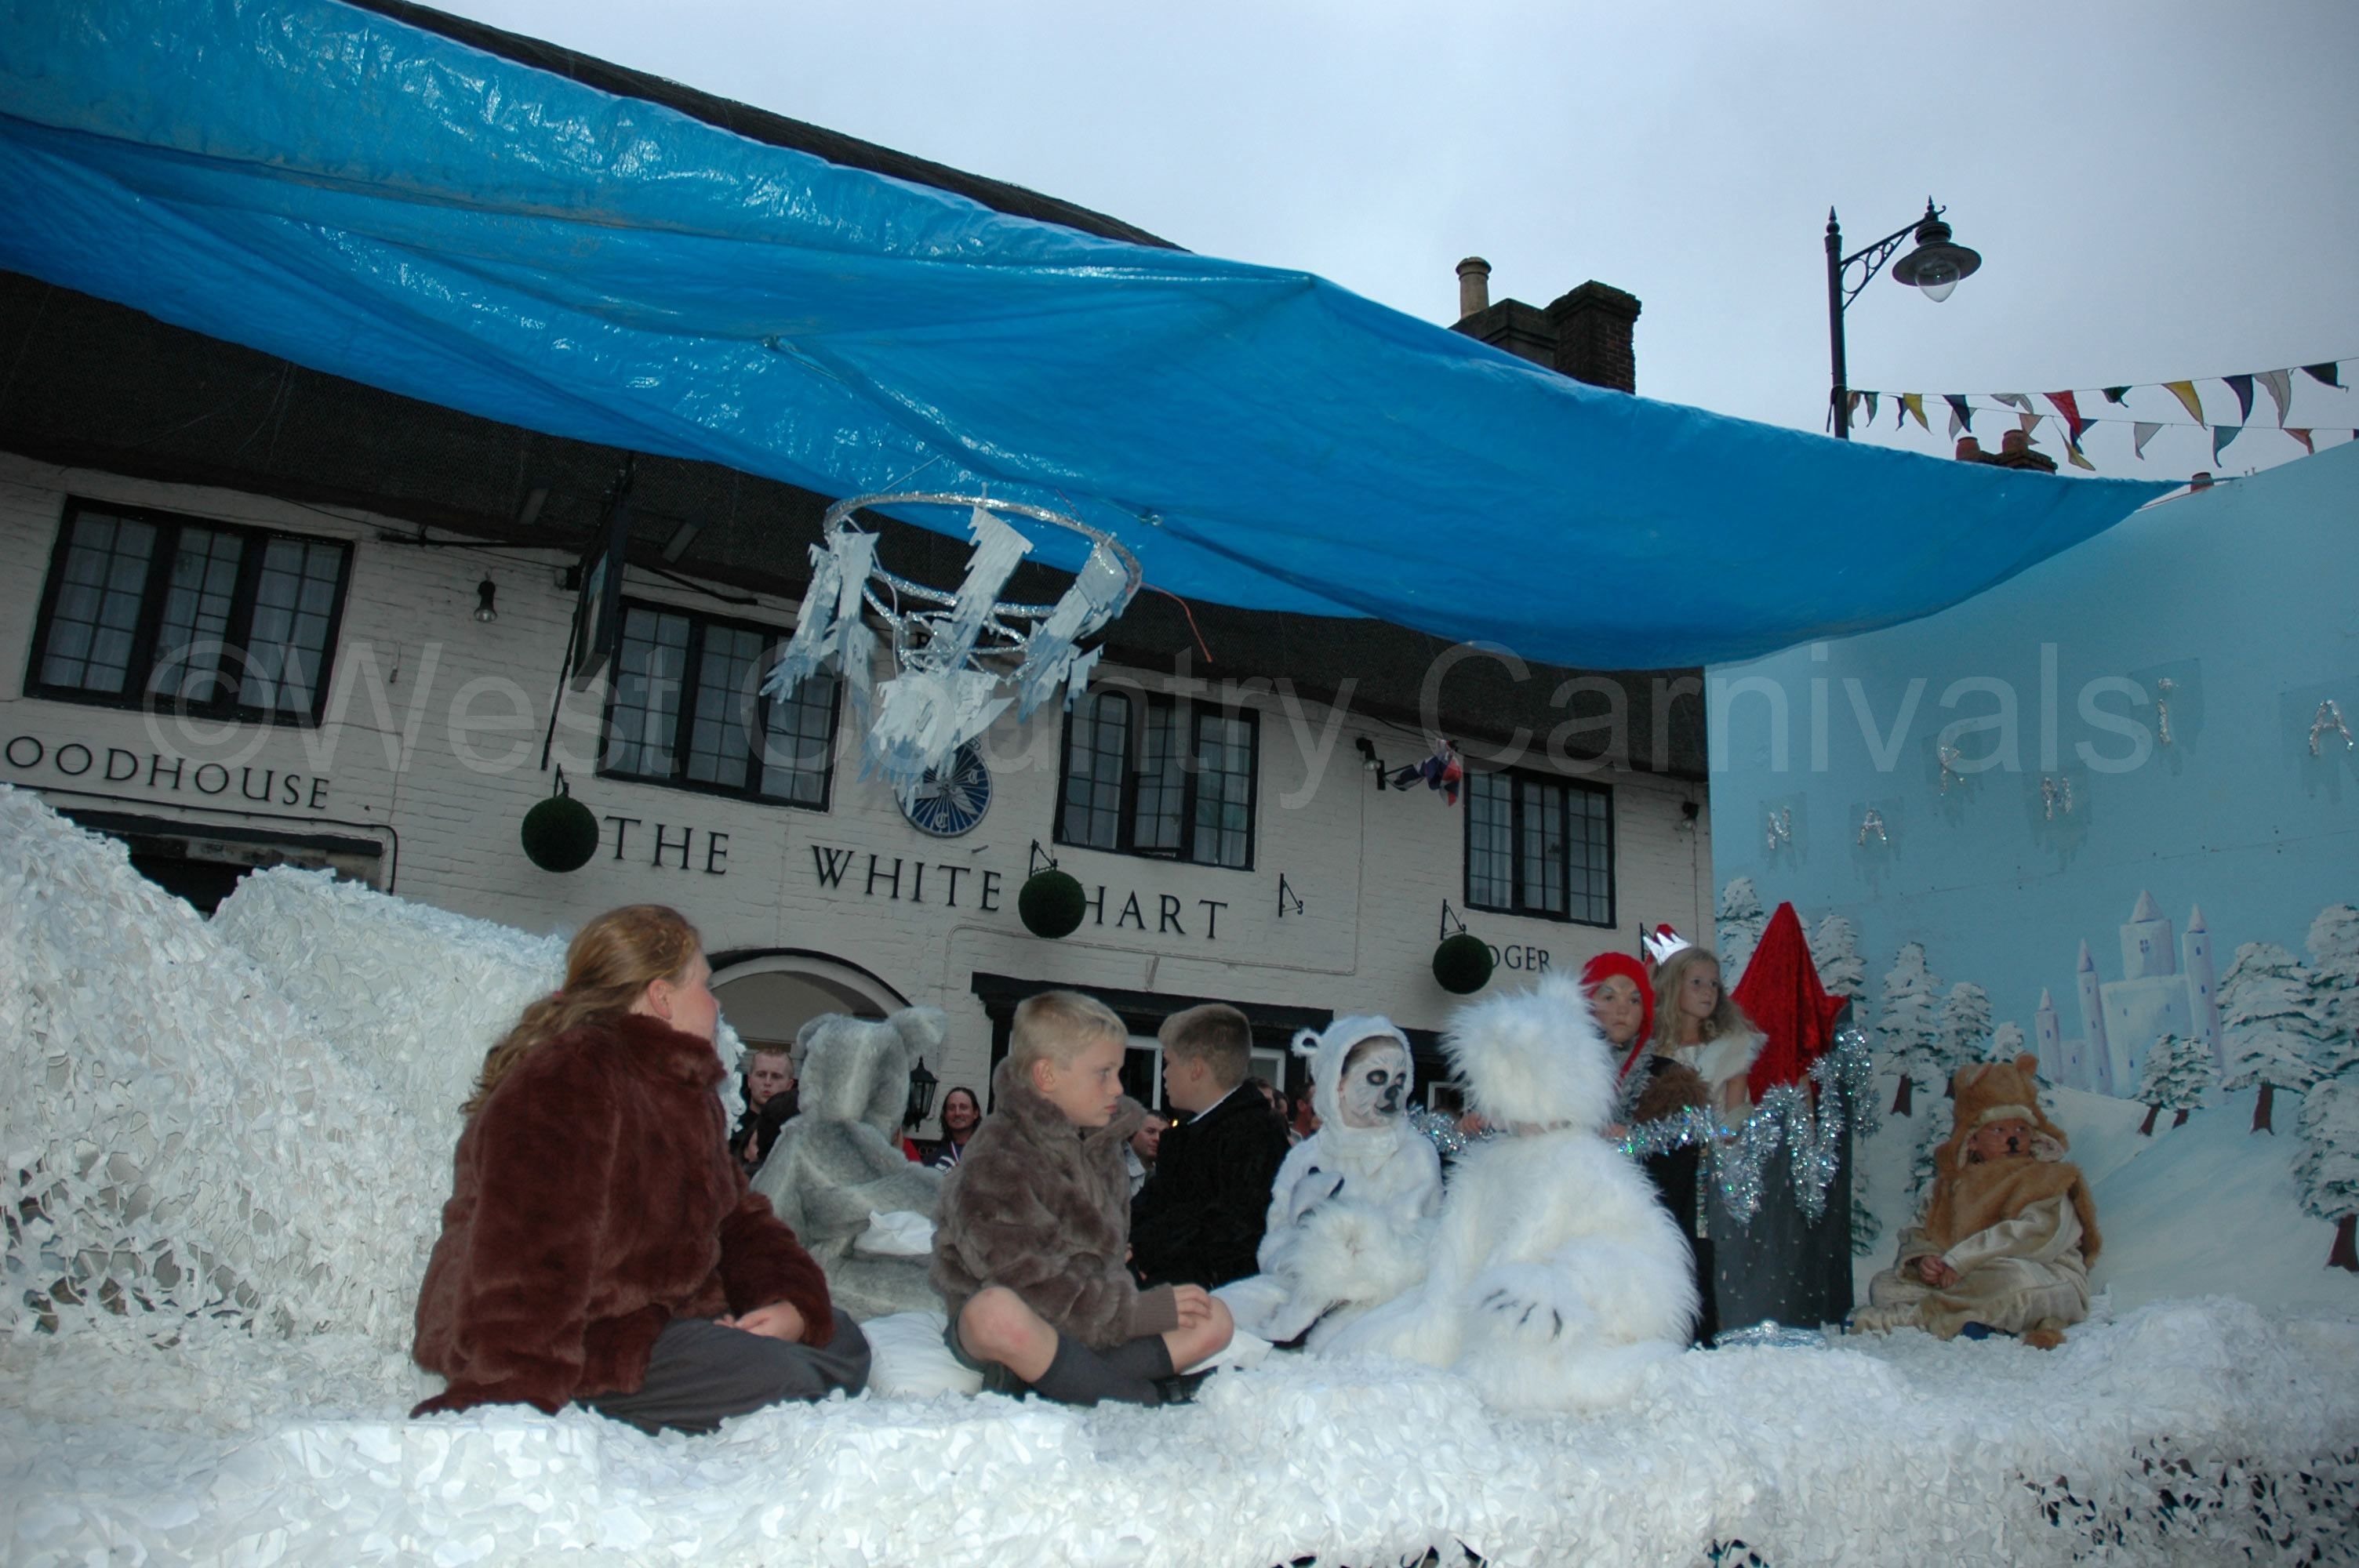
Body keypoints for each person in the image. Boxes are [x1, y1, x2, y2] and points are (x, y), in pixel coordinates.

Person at [411, 906, 866, 1435]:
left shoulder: (685, 1094)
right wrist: (511, 1386)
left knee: (844, 1341)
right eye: (705, 986)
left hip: (665, 1322)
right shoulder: (570, 1075)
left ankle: (723, 1368)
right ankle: (644, 1392)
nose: (716, 1003)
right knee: (778, 1374)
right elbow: (528, 1247)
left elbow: (738, 1221)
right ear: (661, 996)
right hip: (583, 1339)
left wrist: (789, 1304)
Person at [1325, 974, 1697, 1414]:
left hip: (1554, 1330)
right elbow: (1453, 1251)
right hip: (1466, 1320)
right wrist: (1385, 1260)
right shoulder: (1488, 1164)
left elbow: (1646, 1269)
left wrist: (1565, 1284)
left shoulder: (1587, 1165)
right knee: (1358, 1344)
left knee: (1509, 1372)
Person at [931, 990, 1233, 1406]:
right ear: (1047, 1076)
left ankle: (1055, 1381)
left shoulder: (1103, 1145)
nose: (1118, 1087)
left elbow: (1108, 1262)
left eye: (1118, 1072)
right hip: (1026, 1317)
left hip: (1091, 1322)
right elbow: (1026, 1283)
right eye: (1103, 1073)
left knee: (1214, 1318)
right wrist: (1135, 1313)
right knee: (994, 1313)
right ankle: (1147, 1396)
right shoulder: (997, 1157)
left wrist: (1136, 1294)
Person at [1225, 1017, 1443, 1349]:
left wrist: (1345, 1256)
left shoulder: (1415, 1154)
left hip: (1378, 1300)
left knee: (1338, 1346)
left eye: (1400, 1079)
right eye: (1376, 1078)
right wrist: (1304, 1253)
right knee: (1223, 1310)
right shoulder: (1306, 1156)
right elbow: (1277, 1238)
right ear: (1337, 1082)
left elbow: (1415, 1246)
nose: (1393, 1091)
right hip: (1294, 1288)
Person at [1854, 1054, 2099, 1349]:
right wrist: (1925, 1259)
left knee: (2010, 1281)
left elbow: (2035, 1234)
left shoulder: (2047, 1179)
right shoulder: (1952, 1185)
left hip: (2045, 1276)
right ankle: (1975, 1320)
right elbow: (1920, 1229)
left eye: (2021, 1129)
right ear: (1972, 1139)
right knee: (1885, 1286)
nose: (2013, 1139)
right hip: (1965, 1279)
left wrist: (1961, 1261)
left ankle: (1907, 1321)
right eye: (1999, 1130)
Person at [1585, 950, 1715, 1345]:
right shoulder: (1561, 1072)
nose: (1622, 1008)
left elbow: (1683, 1153)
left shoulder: (1670, 1082)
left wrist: (1636, 1140)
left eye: (1634, 998)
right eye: (1609, 996)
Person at [1129, 1004, 1293, 1290]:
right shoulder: (1193, 1133)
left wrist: (1146, 1250)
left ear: (1196, 1069)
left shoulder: (1254, 1135)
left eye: (1169, 1063)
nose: (1165, 1074)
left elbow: (1234, 1227)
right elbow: (1154, 1204)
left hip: (1226, 1301)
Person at [1648, 946, 1764, 1123]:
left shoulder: (1731, 1046)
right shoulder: (1653, 1048)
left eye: (1714, 984)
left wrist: (1722, 1135)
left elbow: (1735, 1117)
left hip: (1720, 1139)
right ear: (1672, 987)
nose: (1708, 991)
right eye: (1696, 982)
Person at [729, 1044, 799, 1174]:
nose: (767, 1082)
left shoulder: (797, 1130)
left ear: (789, 1085)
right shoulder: (727, 1124)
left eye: (776, 1076)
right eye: (761, 1075)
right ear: (749, 1081)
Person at [926, 1085, 983, 1170]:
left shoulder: (988, 1154)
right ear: (945, 1115)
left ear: (975, 1113)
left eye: (963, 1108)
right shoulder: (932, 1159)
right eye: (951, 1108)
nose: (957, 1113)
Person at [1125, 1111, 1166, 1196]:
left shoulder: (1167, 1175)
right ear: (1133, 1132)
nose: (1157, 1138)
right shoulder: (1111, 1168)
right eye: (1150, 1132)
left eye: (1163, 1135)